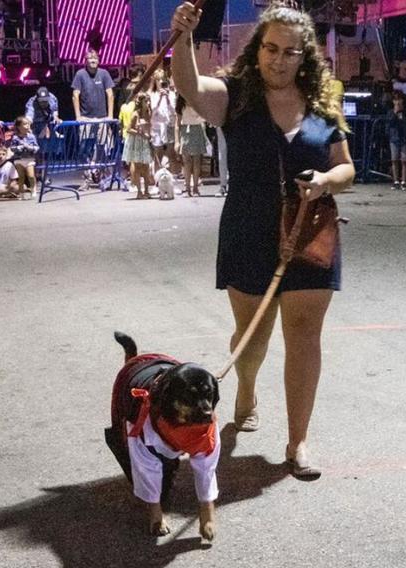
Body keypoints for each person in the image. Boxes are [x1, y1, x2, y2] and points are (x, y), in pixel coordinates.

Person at [169, 0, 356, 477]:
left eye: (290, 52)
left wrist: (326, 183)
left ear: (304, 56)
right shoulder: (235, 96)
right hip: (249, 230)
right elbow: (189, 86)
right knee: (254, 340)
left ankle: (298, 442)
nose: (278, 59)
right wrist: (185, 37)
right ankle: (246, 388)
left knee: (304, 337)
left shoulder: (321, 104)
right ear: (257, 49)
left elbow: (346, 167)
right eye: (271, 48)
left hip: (310, 231)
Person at [119, 87, 153, 198]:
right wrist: (139, 133)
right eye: (145, 101)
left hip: (145, 141)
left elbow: (149, 126)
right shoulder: (135, 114)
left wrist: (149, 135)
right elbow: (128, 129)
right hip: (137, 142)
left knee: (146, 166)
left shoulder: (148, 113)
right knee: (138, 166)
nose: (148, 103)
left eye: (148, 101)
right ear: (141, 102)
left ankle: (147, 190)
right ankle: (139, 191)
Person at [176, 95, 209, 197]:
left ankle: (195, 187)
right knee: (186, 161)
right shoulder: (180, 104)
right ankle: (187, 188)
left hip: (197, 129)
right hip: (185, 130)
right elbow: (177, 124)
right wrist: (177, 141)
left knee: (197, 160)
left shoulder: (197, 101)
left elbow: (204, 116)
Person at [71, 50, 115, 120]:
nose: (93, 61)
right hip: (85, 118)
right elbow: (75, 96)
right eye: (90, 58)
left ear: (98, 61)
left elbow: (110, 94)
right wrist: (78, 116)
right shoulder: (80, 74)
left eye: (95, 58)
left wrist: (110, 115)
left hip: (102, 118)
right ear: (85, 61)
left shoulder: (104, 73)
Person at [149, 76, 178, 177]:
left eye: (163, 80)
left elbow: (174, 112)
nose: (161, 82)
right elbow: (153, 111)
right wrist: (160, 98)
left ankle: (172, 181)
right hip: (157, 126)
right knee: (158, 155)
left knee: (171, 154)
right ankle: (157, 181)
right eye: (158, 80)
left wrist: (168, 100)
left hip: (169, 125)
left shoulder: (172, 94)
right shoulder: (152, 95)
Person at [385, 93, 406, 189]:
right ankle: (396, 180)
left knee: (404, 160)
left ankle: (404, 180)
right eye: (396, 100)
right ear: (393, 101)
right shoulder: (390, 113)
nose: (398, 102)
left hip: (404, 138)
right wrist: (395, 113)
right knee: (394, 159)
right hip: (394, 138)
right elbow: (390, 124)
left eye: (399, 100)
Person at [7, 116, 39, 199]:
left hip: (29, 159)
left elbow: (36, 147)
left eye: (28, 124)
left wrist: (29, 147)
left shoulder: (31, 136)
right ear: (18, 126)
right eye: (25, 124)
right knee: (21, 177)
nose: (27, 126)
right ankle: (21, 193)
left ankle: (34, 189)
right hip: (19, 159)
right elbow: (12, 148)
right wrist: (19, 147)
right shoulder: (15, 137)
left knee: (31, 176)